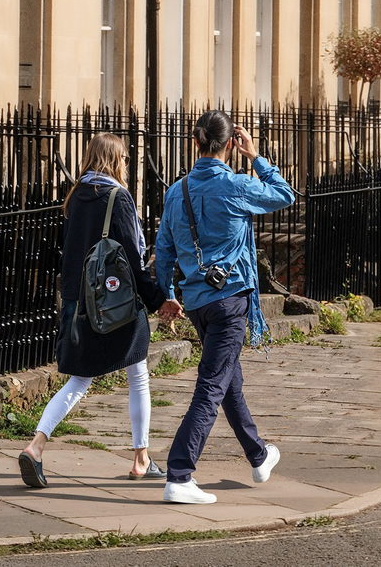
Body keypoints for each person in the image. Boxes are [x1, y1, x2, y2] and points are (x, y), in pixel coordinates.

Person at [153, 110, 295, 504]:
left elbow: (163, 249)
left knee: (229, 380)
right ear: (232, 143)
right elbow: (284, 195)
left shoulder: (175, 191)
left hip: (197, 301)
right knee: (212, 386)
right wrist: (256, 158)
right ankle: (180, 475)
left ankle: (259, 454)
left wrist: (167, 294)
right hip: (230, 300)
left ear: (194, 142)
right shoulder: (236, 185)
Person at [18, 133, 174, 488]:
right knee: (135, 377)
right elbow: (132, 260)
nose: (127, 166)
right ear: (116, 160)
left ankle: (37, 446)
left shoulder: (76, 197)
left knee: (82, 378)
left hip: (79, 304)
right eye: (125, 159)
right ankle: (138, 459)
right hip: (115, 305)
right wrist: (157, 300)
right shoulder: (117, 198)